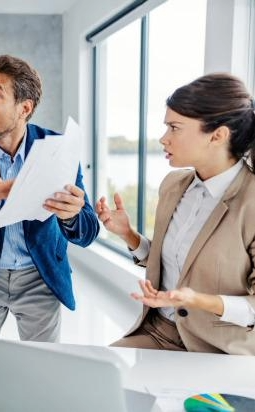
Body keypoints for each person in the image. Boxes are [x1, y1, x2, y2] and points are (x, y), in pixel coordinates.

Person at [0, 55, 99, 342]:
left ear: (25, 108)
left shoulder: (58, 148)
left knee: (42, 368)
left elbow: (88, 231)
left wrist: (71, 215)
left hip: (39, 276)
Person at [96, 73, 255, 355]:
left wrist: (199, 300)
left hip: (220, 350)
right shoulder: (174, 186)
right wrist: (129, 235)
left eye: (174, 127)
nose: (163, 138)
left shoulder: (250, 201)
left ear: (218, 135)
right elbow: (171, 264)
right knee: (91, 378)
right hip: (159, 332)